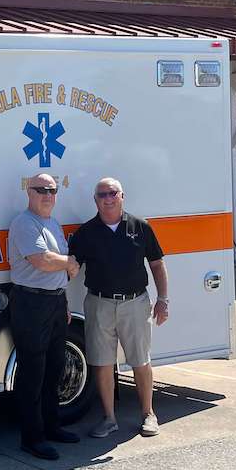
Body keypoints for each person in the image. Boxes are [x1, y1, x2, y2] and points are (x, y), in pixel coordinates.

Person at [69, 177, 169, 438]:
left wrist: (163, 299)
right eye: (102, 194)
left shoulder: (140, 227)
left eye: (113, 193)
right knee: (102, 363)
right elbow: (72, 267)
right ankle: (109, 418)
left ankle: (148, 414)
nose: (108, 198)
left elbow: (157, 265)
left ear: (122, 196)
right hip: (99, 303)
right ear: (95, 200)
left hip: (135, 303)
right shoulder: (87, 232)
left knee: (141, 360)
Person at [6, 173, 81, 460]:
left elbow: (56, 267)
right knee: (32, 372)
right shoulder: (24, 223)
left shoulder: (52, 223)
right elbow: (42, 260)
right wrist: (70, 262)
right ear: (29, 191)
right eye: (42, 190)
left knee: (54, 369)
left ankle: (52, 426)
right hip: (30, 303)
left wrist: (62, 300)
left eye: (52, 190)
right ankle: (32, 438)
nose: (48, 195)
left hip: (53, 302)